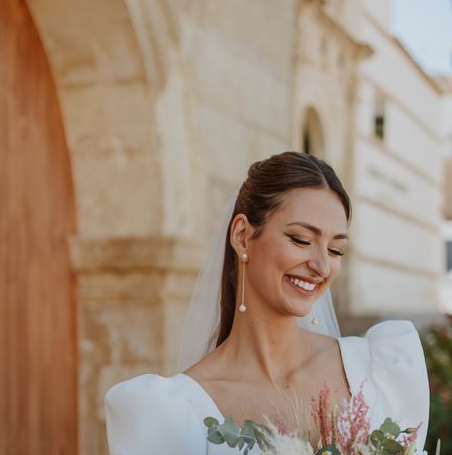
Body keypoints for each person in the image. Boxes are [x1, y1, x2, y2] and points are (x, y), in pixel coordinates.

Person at [105, 152, 429, 454]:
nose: (322, 266)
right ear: (243, 236)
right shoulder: (174, 412)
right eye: (301, 240)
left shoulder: (378, 371)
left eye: (335, 250)